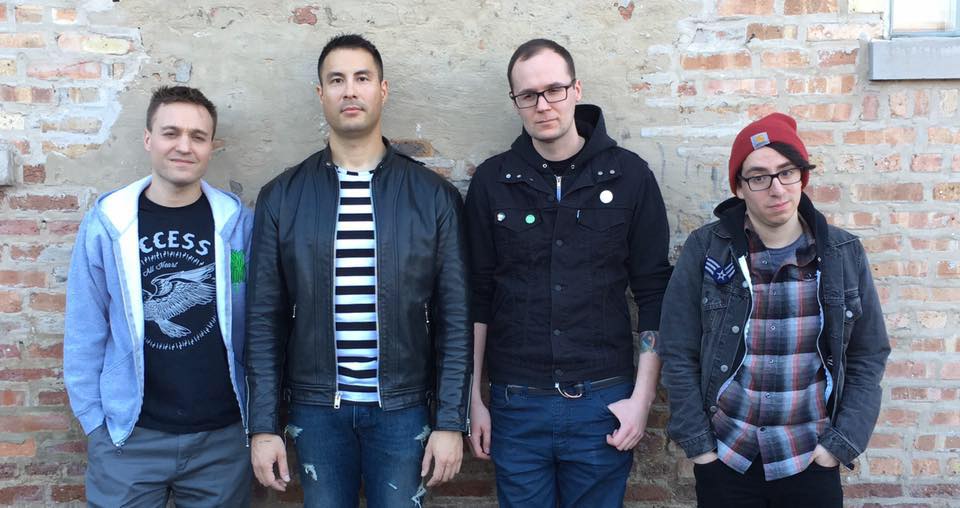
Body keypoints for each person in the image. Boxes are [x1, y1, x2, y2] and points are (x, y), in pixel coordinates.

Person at [244, 34, 471, 508]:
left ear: (382, 90)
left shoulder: (433, 197)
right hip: (316, 410)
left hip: (404, 409)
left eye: (362, 78)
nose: (350, 90)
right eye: (337, 80)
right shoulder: (282, 197)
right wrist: (263, 426)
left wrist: (451, 421)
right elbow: (263, 320)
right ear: (321, 93)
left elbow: (455, 319)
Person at [463, 38, 672, 507]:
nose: (543, 105)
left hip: (602, 401)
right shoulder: (493, 182)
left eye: (554, 90)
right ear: (515, 102)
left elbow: (654, 291)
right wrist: (474, 398)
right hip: (517, 404)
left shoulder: (630, 176)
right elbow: (477, 295)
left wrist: (642, 399)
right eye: (528, 95)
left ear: (576, 90)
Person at [658, 113, 890, 507]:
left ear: (803, 177)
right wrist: (701, 449)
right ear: (739, 187)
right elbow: (677, 349)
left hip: (810, 459)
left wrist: (839, 445)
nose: (776, 188)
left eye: (787, 172)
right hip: (728, 458)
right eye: (759, 177)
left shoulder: (842, 253)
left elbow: (868, 354)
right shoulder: (706, 249)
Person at [64, 85, 254, 507]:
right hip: (129, 438)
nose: (184, 146)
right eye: (171, 133)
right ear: (148, 139)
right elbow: (84, 327)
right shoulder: (109, 224)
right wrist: (95, 422)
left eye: (198, 136)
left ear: (211, 146)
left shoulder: (236, 227)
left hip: (221, 440)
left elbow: (248, 305)